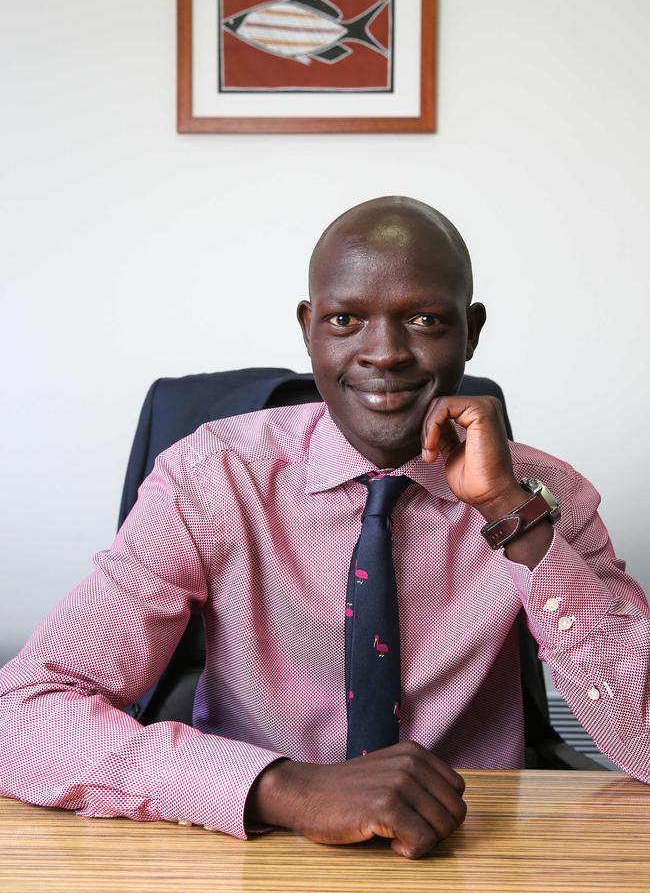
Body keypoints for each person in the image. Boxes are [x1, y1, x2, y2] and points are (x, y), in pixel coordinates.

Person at [0, 196, 648, 860]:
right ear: (309, 328)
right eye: (345, 319)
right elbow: (22, 716)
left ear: (471, 330)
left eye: (424, 319)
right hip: (249, 848)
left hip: (473, 848)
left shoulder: (547, 495)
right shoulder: (213, 476)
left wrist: (514, 515)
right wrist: (286, 789)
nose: (385, 353)